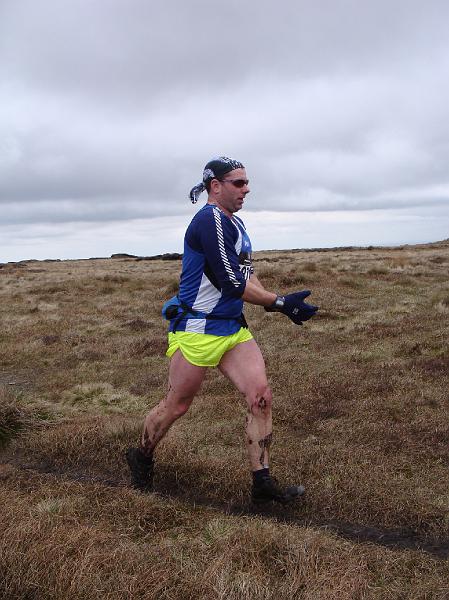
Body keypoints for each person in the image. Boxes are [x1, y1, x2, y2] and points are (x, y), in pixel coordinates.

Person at [126, 156, 318, 504]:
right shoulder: (209, 221)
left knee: (260, 397)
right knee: (176, 406)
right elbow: (230, 284)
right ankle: (141, 456)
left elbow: (245, 274)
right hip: (197, 330)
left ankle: (262, 485)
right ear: (216, 186)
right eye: (239, 183)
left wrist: (276, 300)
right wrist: (279, 302)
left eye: (247, 182)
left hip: (232, 329)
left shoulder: (237, 225)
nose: (247, 189)